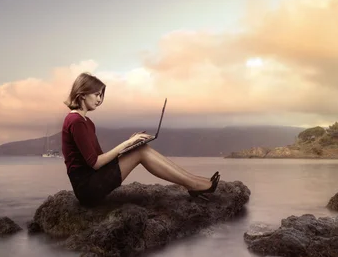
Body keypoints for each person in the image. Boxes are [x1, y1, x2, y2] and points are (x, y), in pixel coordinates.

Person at [61, 72, 220, 207]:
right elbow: (95, 163)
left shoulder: (87, 122)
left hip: (94, 178)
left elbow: (100, 160)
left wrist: (127, 148)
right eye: (96, 94)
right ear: (82, 95)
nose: (100, 99)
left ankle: (193, 181)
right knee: (141, 152)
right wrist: (127, 144)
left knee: (141, 149)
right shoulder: (76, 122)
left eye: (101, 95)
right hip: (88, 189)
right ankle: (193, 185)